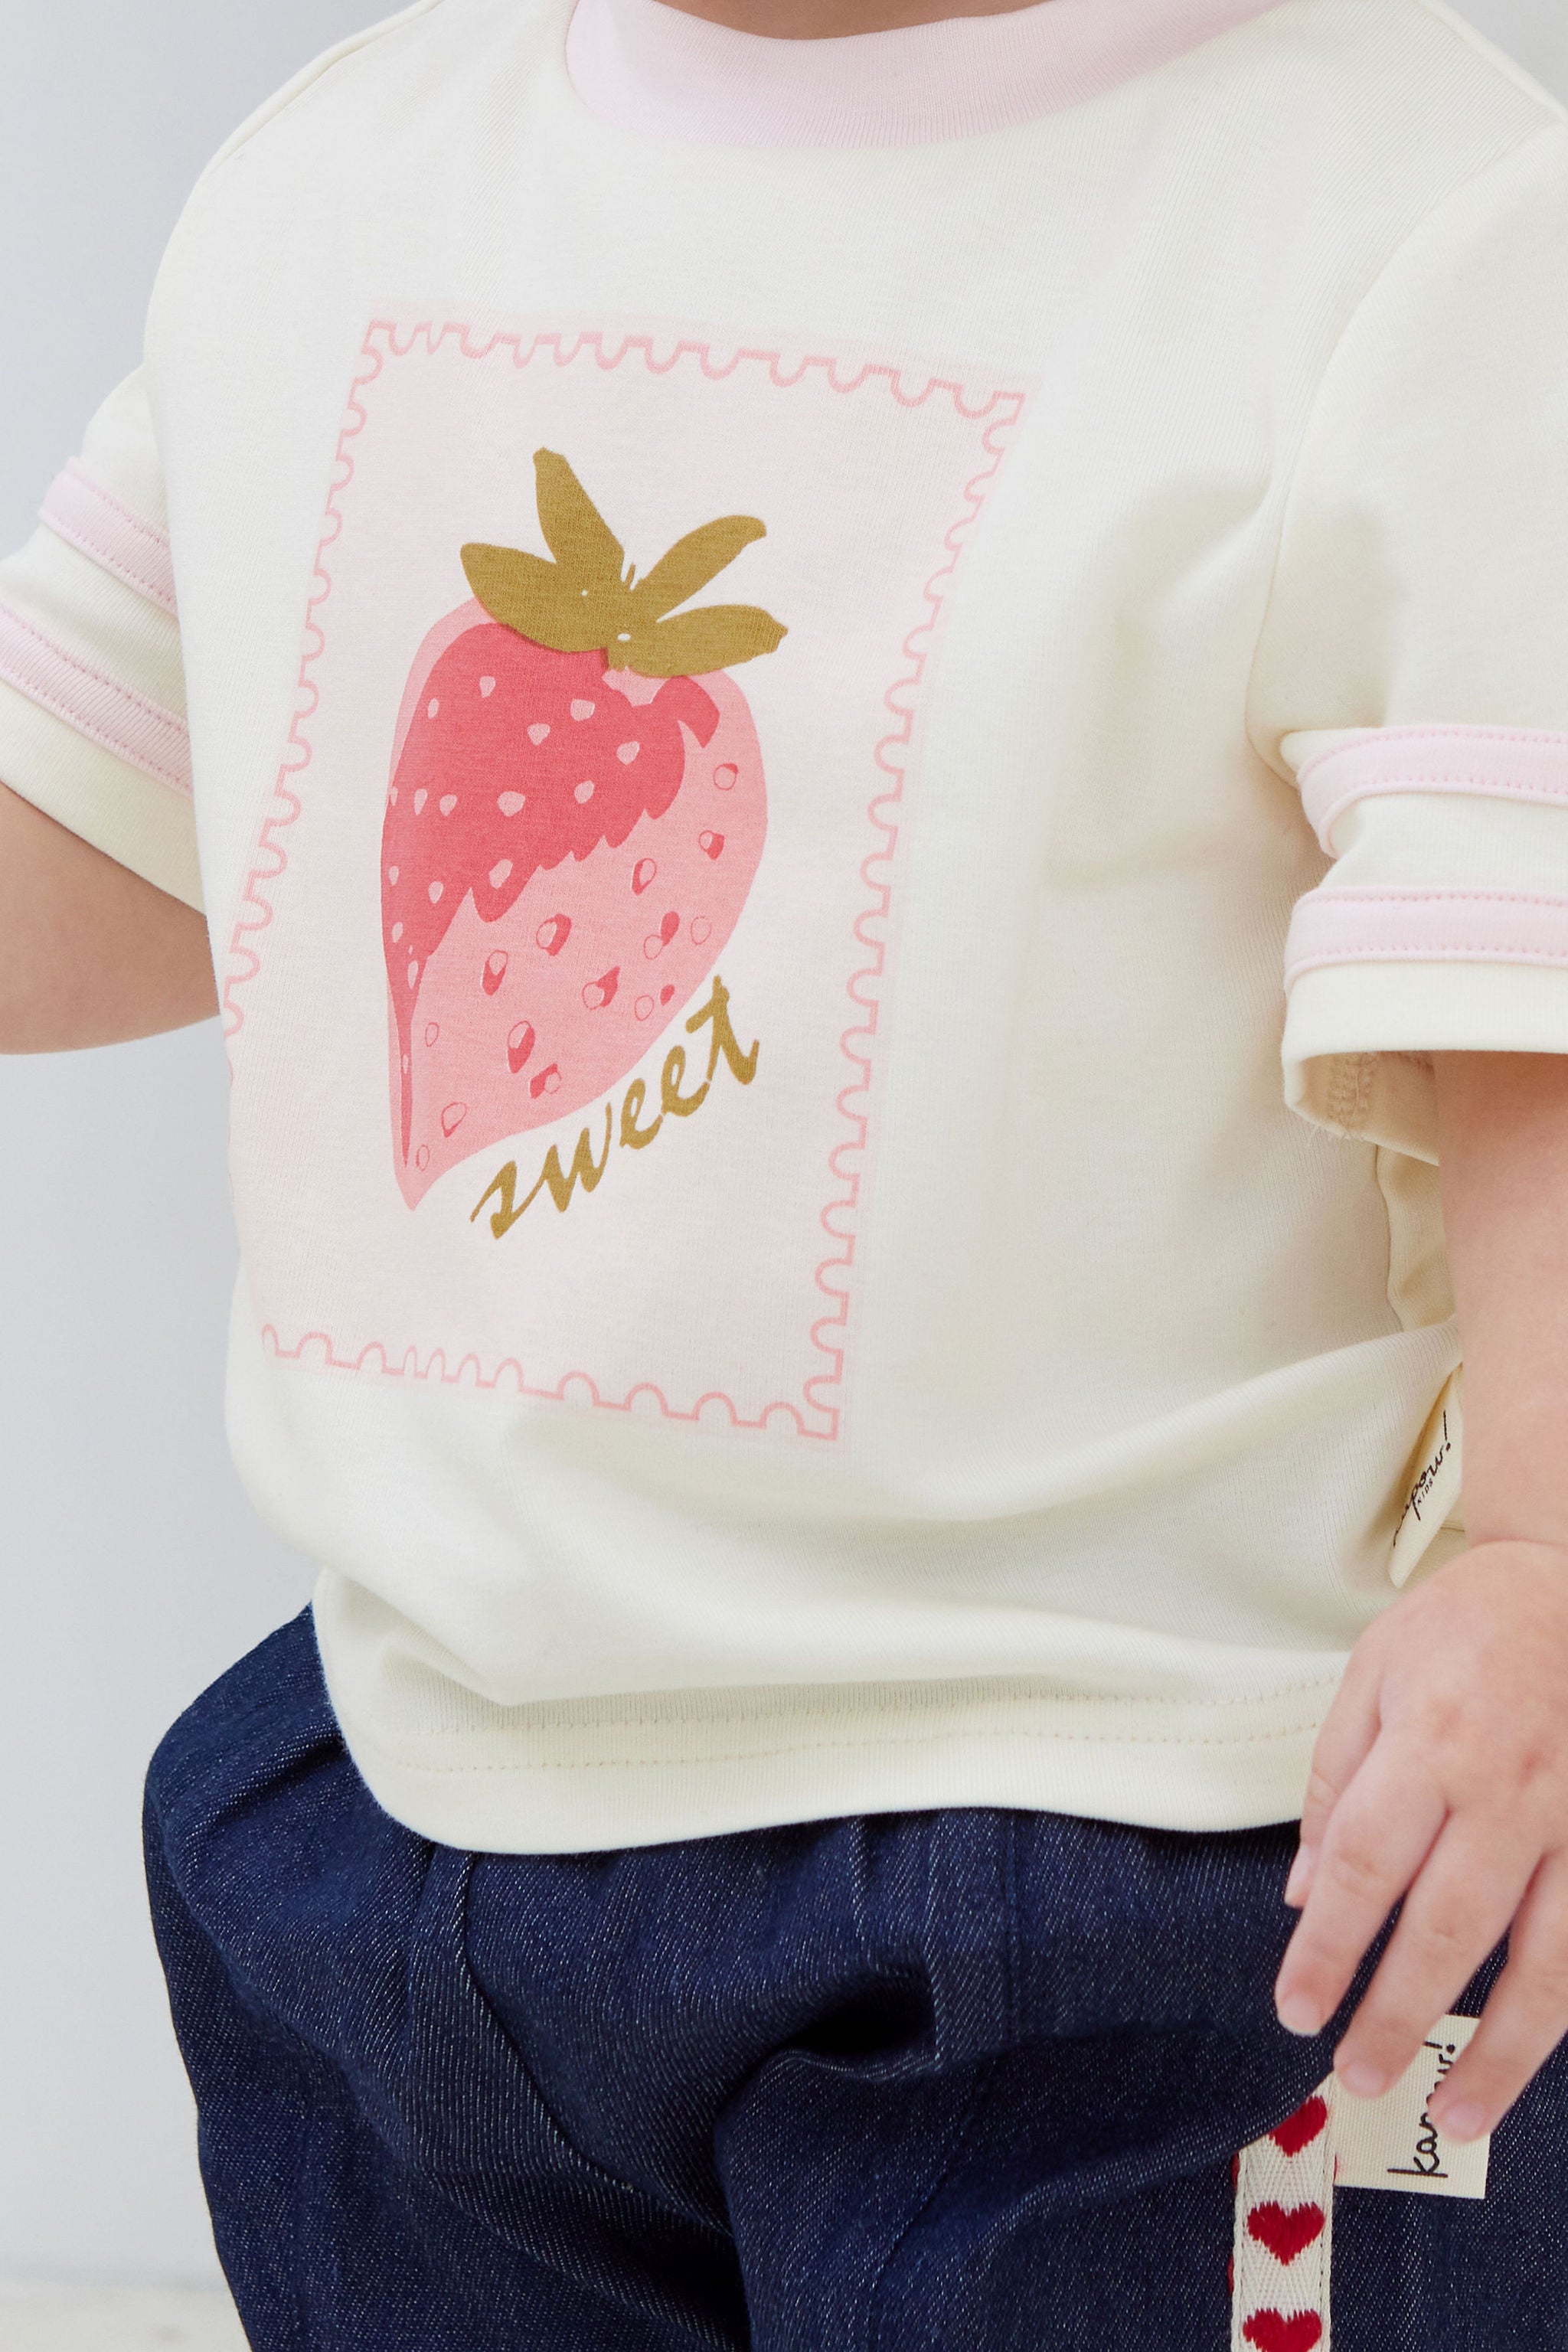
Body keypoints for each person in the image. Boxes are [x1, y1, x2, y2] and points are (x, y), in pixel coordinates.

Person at [4, 0, 1568, 2339]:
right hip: (414, 1779)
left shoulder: (1412, 216)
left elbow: (1523, 964)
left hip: (1154, 1844)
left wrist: (1543, 1557)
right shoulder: (335, 178)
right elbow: (117, 835)